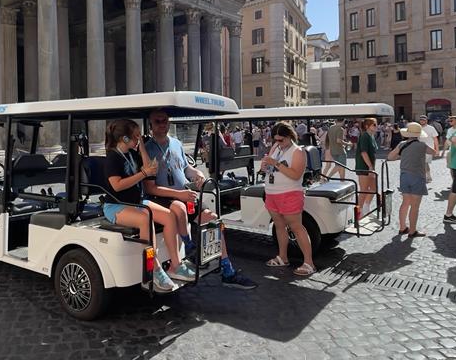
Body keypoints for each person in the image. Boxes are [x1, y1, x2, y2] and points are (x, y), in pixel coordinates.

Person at [143, 109, 257, 289]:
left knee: (213, 219)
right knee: (179, 206)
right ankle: (190, 249)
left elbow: (186, 168)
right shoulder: (147, 149)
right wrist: (179, 194)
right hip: (162, 198)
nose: (162, 124)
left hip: (184, 195)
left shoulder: (176, 143)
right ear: (151, 125)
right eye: (157, 121)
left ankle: (227, 269)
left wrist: (197, 174)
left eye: (165, 120)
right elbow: (149, 187)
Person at [100, 118, 192, 292]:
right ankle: (155, 269)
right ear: (125, 138)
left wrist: (141, 145)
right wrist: (143, 174)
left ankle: (175, 264)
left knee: (169, 216)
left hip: (136, 202)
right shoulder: (112, 157)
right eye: (135, 136)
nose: (139, 138)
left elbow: (149, 166)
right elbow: (117, 185)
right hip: (116, 205)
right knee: (146, 218)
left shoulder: (131, 154)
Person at [261, 122, 315, 276]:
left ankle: (308, 263)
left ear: (290, 137)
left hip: (289, 193)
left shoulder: (298, 151)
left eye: (281, 140)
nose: (278, 143)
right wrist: (265, 167)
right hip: (272, 193)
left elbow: (295, 175)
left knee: (296, 227)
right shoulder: (276, 148)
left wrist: (275, 164)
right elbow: (268, 168)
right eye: (275, 140)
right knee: (279, 226)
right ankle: (282, 257)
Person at [387, 122, 433, 238]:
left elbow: (390, 157)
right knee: (415, 206)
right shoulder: (422, 145)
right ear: (418, 134)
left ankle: (402, 227)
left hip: (404, 176)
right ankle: (412, 231)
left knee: (405, 203)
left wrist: (402, 156)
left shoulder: (402, 144)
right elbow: (434, 152)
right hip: (417, 176)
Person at [353, 118, 379, 217]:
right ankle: (358, 214)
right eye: (374, 125)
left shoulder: (371, 136)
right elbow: (363, 152)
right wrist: (370, 166)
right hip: (364, 166)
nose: (376, 126)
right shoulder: (364, 136)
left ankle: (366, 209)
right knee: (364, 190)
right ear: (367, 126)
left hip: (370, 167)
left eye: (376, 124)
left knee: (373, 188)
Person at [418, 115, 439, 183]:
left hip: (429, 148)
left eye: (423, 120)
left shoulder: (431, 128)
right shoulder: (418, 128)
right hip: (419, 148)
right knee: (421, 163)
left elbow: (435, 139)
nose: (422, 121)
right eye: (421, 120)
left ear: (426, 120)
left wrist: (437, 150)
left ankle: (427, 176)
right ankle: (425, 176)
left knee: (425, 163)